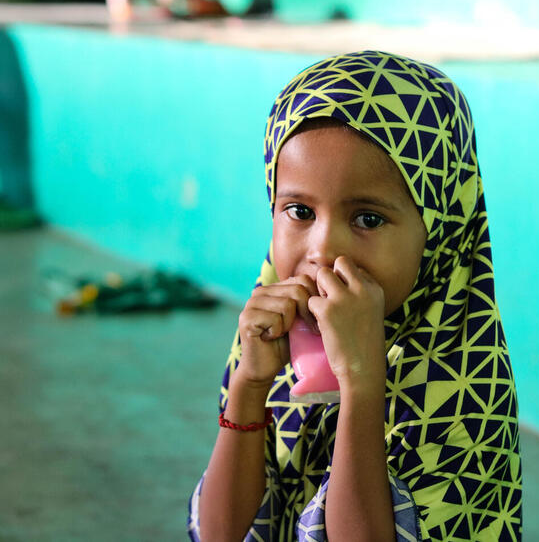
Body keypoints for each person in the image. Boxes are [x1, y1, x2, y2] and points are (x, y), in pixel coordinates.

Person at [188, 50, 522, 541]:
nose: (323, 250)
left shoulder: (461, 384)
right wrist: (248, 389)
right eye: (300, 212)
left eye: (368, 218)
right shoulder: (271, 328)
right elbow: (217, 535)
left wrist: (362, 385)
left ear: (440, 230)